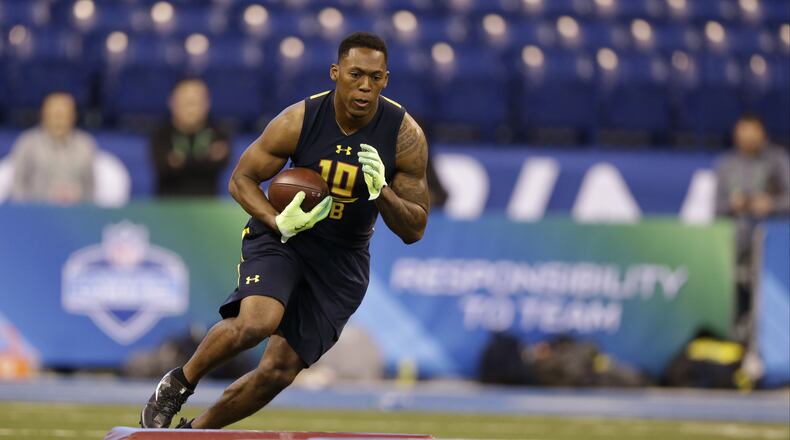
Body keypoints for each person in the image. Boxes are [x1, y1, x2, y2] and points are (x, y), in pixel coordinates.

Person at [140, 32, 429, 429]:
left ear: (386, 80)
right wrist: (276, 220)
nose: (365, 86)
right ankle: (178, 383)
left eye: (375, 77)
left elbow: (415, 228)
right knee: (257, 322)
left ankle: (197, 434)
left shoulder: (404, 135)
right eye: (356, 74)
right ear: (336, 72)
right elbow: (241, 179)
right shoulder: (300, 119)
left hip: (343, 258)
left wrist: (382, 192)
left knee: (278, 371)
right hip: (288, 238)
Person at [715, 114, 790, 320]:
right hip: (737, 238)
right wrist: (733, 204)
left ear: (762, 133)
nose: (747, 138)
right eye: (743, 133)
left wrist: (770, 204)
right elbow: (717, 208)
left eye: (752, 132)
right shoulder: (726, 164)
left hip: (772, 237)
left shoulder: (778, 160)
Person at [8, 92, 96, 205]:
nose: (58, 121)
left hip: (75, 210)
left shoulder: (85, 144)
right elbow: (18, 185)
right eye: (54, 116)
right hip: (36, 210)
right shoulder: (27, 143)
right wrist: (26, 210)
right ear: (43, 116)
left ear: (73, 117)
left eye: (63, 116)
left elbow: (90, 186)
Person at [150, 78, 231, 197]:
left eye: (196, 102)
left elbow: (221, 163)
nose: (191, 108)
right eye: (186, 102)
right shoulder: (160, 134)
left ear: (207, 104)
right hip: (168, 203)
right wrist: (205, 158)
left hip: (207, 204)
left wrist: (180, 160)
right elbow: (163, 167)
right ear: (172, 103)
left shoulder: (220, 133)